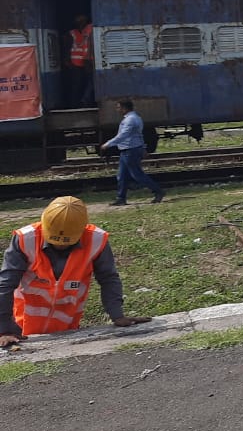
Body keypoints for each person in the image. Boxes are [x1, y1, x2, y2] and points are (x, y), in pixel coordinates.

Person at [0, 196, 151, 347]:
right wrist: (5, 329)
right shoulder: (25, 239)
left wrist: (117, 314)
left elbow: (108, 278)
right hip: (21, 327)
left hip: (67, 329)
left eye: (66, 243)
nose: (59, 246)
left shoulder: (96, 241)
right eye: (54, 242)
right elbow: (6, 284)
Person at [103, 99, 165, 206]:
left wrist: (108, 144)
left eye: (119, 107)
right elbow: (139, 135)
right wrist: (143, 148)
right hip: (127, 150)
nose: (117, 109)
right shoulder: (135, 118)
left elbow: (123, 135)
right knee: (122, 176)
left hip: (130, 150)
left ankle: (158, 191)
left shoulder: (130, 120)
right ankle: (121, 198)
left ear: (124, 108)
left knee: (137, 174)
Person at [65, 14, 95, 107]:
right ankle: (75, 104)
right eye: (79, 21)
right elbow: (66, 48)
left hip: (87, 62)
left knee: (89, 82)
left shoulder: (88, 30)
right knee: (77, 84)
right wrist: (67, 60)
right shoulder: (72, 33)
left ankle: (85, 101)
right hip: (75, 63)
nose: (80, 23)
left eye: (82, 21)